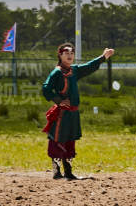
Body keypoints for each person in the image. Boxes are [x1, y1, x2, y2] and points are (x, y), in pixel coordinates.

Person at [41, 43, 115, 180]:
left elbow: (89, 67)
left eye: (72, 53)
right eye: (66, 52)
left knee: (70, 141)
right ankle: (57, 172)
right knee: (58, 141)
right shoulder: (56, 72)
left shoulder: (74, 70)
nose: (69, 55)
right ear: (60, 55)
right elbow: (46, 88)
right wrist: (59, 101)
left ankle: (68, 172)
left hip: (73, 114)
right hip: (62, 114)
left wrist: (103, 57)